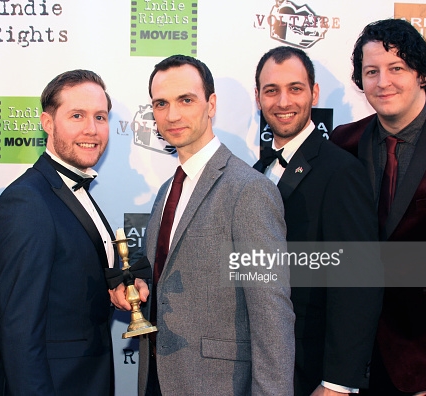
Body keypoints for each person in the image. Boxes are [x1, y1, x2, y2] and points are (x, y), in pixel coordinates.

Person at [111, 54, 294, 395]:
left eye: (186, 100)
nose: (173, 114)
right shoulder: (167, 191)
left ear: (211, 104)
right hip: (158, 380)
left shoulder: (248, 190)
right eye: (161, 103)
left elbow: (272, 316)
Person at [330, 19, 426, 395]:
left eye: (396, 68)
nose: (383, 82)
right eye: (371, 71)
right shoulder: (343, 144)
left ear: (422, 74)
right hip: (351, 368)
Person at [252, 46, 382, 396]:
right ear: (258, 97)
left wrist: (338, 382)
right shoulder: (255, 173)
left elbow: (359, 283)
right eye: (271, 90)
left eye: (295, 88)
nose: (283, 101)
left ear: (314, 93)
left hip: (313, 372)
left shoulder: (341, 171)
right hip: (263, 367)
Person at [0, 70, 116, 395]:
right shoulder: (27, 200)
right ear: (48, 123)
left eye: (100, 117)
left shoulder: (74, 189)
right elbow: (19, 328)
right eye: (77, 115)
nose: (92, 129)